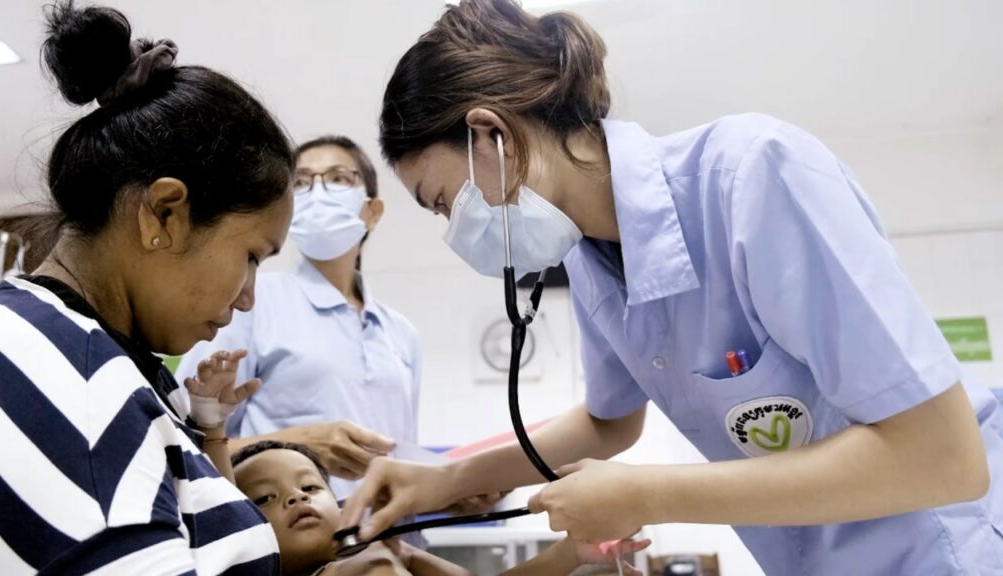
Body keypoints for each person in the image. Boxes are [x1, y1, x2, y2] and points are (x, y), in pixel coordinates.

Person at [340, 1, 1003, 574]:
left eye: (444, 203)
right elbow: (609, 423)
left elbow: (943, 457)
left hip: (949, 548)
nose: (455, 231)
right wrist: (447, 478)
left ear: (492, 136)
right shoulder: (589, 260)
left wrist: (648, 495)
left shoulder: (752, 178)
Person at [0, 1, 295, 573]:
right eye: (251, 256)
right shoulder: (73, 387)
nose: (248, 296)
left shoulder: (101, 358)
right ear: (164, 213)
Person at [177, 136, 421, 501]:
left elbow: (404, 460)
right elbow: (184, 438)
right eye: (302, 183)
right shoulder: (248, 303)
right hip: (290, 530)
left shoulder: (400, 333)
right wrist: (299, 443)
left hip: (394, 530)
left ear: (373, 212)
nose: (318, 193)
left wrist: (454, 489)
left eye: (339, 178)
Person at [231, 440, 650, 576]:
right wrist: (213, 427)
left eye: (310, 486)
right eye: (264, 498)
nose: (296, 497)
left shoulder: (390, 555)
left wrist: (569, 553)